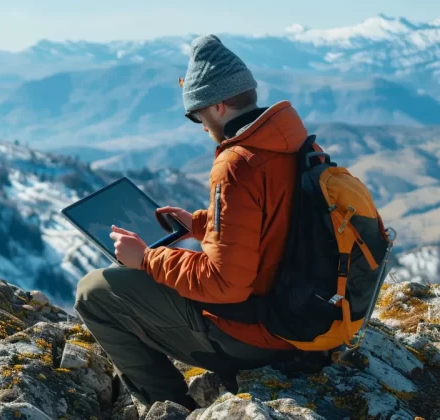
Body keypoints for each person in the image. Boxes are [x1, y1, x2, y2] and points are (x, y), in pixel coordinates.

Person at [73, 34, 315, 410]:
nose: (200, 124)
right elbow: (281, 223)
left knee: (94, 290)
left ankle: (168, 407)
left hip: (258, 336)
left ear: (218, 105)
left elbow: (225, 284)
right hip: (304, 318)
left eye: (196, 113)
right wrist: (202, 225)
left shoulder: (237, 165)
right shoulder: (295, 145)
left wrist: (146, 260)